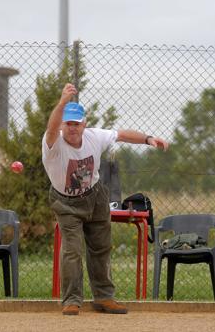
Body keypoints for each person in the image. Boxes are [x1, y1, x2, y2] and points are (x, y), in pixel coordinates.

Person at [42, 83, 168, 315]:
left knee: (101, 247)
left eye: (76, 123)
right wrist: (62, 103)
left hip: (96, 196)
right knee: (72, 250)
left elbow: (121, 135)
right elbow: (50, 128)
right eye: (68, 123)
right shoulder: (53, 143)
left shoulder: (93, 137)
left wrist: (149, 139)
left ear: (84, 124)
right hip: (66, 202)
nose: (72, 128)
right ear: (62, 125)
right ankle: (72, 300)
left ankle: (104, 297)